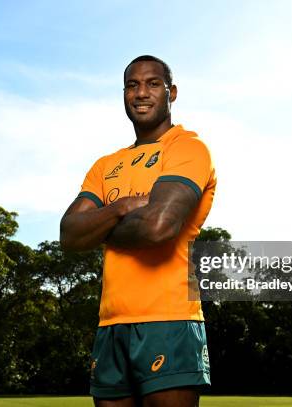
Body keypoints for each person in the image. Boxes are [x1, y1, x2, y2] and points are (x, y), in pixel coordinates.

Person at [60, 55, 217, 407]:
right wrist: (120, 208)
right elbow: (69, 235)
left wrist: (99, 225)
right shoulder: (105, 165)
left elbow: (157, 227)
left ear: (171, 92)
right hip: (110, 324)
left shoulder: (189, 149)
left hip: (170, 320)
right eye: (132, 85)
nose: (141, 93)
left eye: (152, 84)